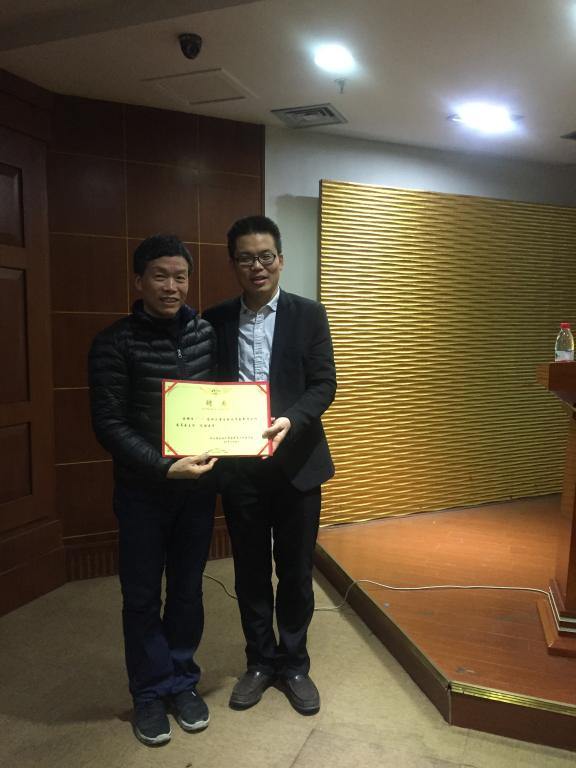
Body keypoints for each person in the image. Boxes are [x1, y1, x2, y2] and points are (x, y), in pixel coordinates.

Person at [203, 215, 336, 715]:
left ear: (280, 260)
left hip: (297, 464)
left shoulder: (309, 314)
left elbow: (324, 383)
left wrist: (291, 420)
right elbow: (203, 389)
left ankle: (295, 663)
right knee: (251, 571)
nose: (256, 266)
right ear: (233, 264)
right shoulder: (215, 319)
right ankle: (260, 661)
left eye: (265, 256)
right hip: (241, 468)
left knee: (296, 571)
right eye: (245, 258)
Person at [88, 234, 218, 746]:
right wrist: (165, 467)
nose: (171, 286)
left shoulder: (206, 333)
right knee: (141, 595)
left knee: (187, 589)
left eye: (180, 276)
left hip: (197, 491)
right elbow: (108, 424)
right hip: (143, 491)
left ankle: (182, 681)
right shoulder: (112, 342)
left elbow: (223, 403)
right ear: (139, 280)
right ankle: (148, 691)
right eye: (160, 276)